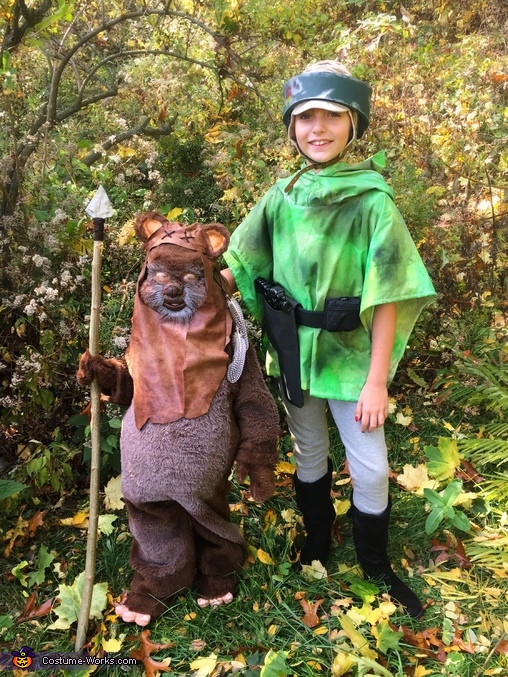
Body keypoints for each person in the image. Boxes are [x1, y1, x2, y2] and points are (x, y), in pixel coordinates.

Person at [221, 60, 436, 619]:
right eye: (305, 117)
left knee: (368, 466)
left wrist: (376, 382)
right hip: (295, 352)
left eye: (331, 116)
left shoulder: (372, 202)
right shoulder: (282, 194)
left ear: (353, 122)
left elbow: (388, 292)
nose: (318, 128)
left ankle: (374, 563)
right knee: (308, 449)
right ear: (292, 126)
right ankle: (318, 540)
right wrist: (183, 279)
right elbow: (240, 259)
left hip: (350, 359)